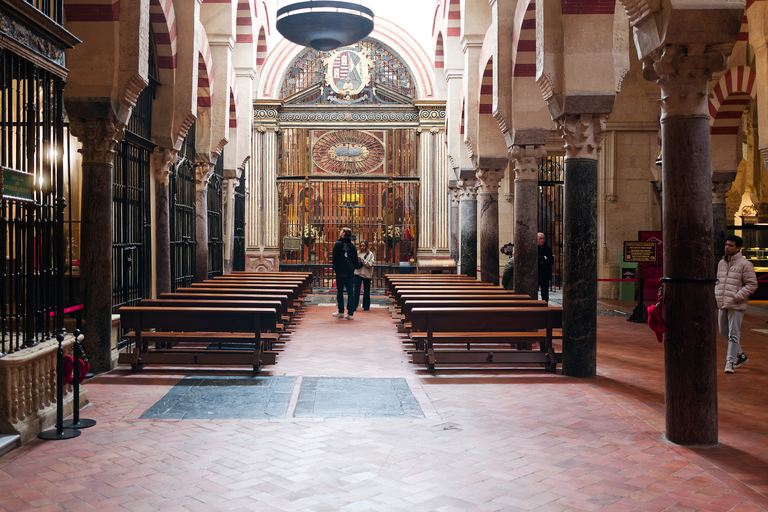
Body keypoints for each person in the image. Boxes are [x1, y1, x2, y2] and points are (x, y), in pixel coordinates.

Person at [715, 235, 757, 373]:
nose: (727, 247)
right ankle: (741, 355)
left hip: (737, 304)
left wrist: (737, 296)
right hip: (723, 301)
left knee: (734, 333)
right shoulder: (722, 262)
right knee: (722, 330)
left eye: (731, 245)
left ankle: (730, 362)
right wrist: (717, 292)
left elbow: (752, 284)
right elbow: (718, 281)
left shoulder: (745, 264)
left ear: (738, 248)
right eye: (726, 244)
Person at [332, 227, 359, 319]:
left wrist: (335, 268)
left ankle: (340, 311)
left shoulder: (338, 244)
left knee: (340, 292)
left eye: (341, 231)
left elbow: (334, 259)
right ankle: (350, 313)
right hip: (350, 272)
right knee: (350, 292)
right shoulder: (352, 245)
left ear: (343, 233)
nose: (340, 232)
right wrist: (353, 267)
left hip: (340, 272)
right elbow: (355, 260)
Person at [354, 240, 375, 311]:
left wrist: (364, 261)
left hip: (367, 274)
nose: (362, 247)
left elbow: (371, 264)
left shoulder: (370, 254)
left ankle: (366, 306)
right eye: (361, 246)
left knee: (366, 291)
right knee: (356, 290)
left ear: (366, 246)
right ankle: (354, 305)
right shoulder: (357, 253)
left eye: (363, 246)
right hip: (358, 273)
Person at [537, 232, 553, 304]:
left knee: (545, 291)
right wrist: (544, 258)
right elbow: (535, 259)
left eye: (543, 239)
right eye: (540, 239)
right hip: (536, 273)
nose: (542, 240)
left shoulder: (548, 249)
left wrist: (543, 260)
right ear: (537, 239)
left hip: (545, 273)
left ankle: (545, 304)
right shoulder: (534, 248)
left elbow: (551, 260)